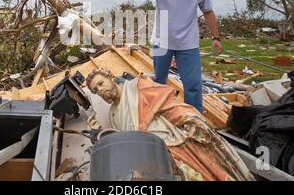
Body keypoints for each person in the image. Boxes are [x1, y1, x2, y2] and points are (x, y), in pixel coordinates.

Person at [85, 68, 254, 181]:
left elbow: (168, 104)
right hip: (146, 156)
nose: (100, 91)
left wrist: (188, 120)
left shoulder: (137, 86)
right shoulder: (113, 114)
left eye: (100, 84)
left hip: (169, 141)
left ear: (110, 77)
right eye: (95, 91)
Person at [128, 0, 222, 113]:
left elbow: (208, 11)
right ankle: (158, 116)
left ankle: (195, 122)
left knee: (193, 85)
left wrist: (216, 38)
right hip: (161, 41)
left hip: (189, 43)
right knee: (158, 82)